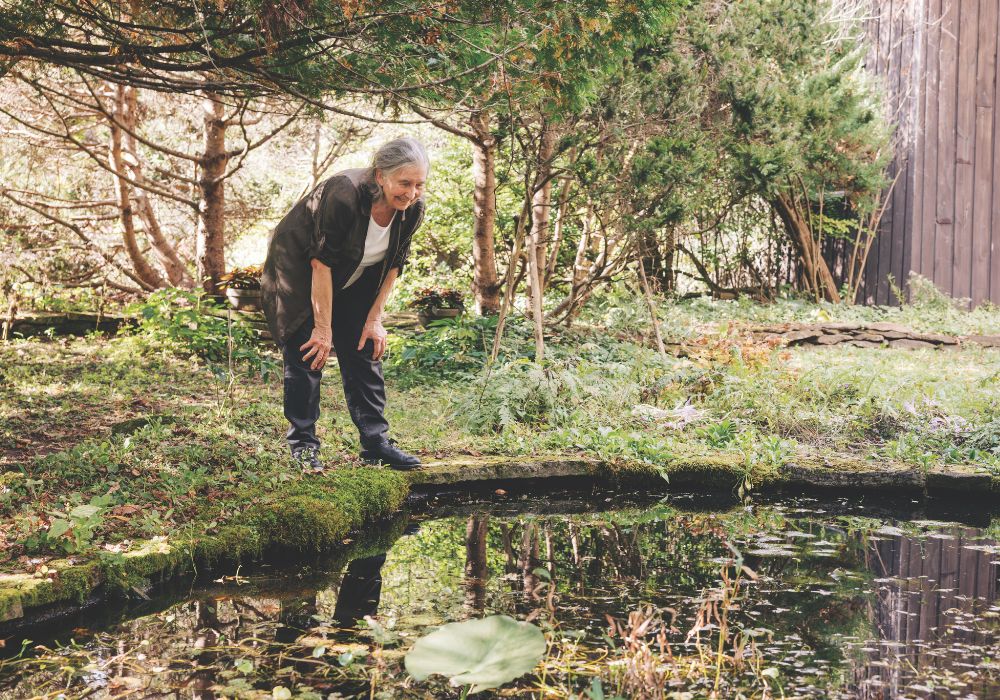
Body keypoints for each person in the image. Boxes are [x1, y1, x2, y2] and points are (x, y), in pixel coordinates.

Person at [261, 137, 428, 471]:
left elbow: (395, 264)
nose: (411, 194)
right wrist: (323, 328)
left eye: (419, 184)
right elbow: (321, 264)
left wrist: (374, 319)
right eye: (404, 183)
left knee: (364, 348)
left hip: (355, 275)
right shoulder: (343, 194)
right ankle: (304, 446)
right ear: (381, 176)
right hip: (300, 271)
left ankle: (376, 443)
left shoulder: (411, 211)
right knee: (309, 351)